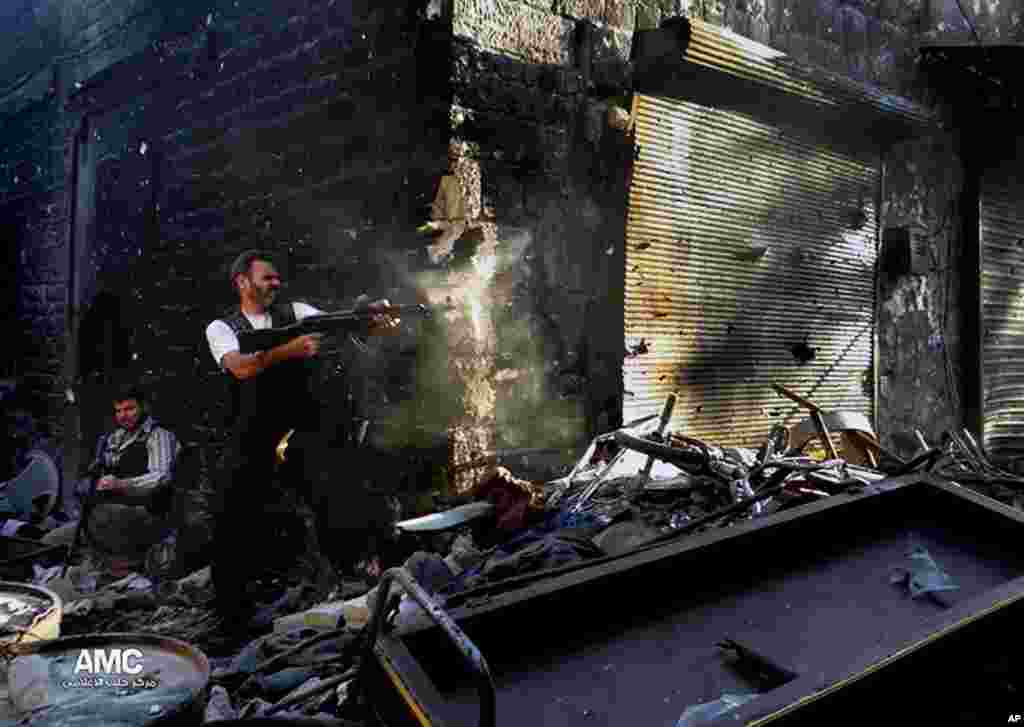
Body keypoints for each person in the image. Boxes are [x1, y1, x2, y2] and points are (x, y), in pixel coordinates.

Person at [205, 249, 397, 624]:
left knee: (335, 490)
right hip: (250, 432)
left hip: (300, 428)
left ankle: (352, 577)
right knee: (234, 517)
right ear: (242, 282)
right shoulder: (222, 328)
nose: (275, 283)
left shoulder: (296, 312)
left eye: (277, 278)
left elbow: (338, 324)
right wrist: (287, 351)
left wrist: (367, 317)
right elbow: (241, 369)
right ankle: (233, 612)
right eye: (267, 278)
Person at [43, 384, 181, 573]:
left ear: (144, 408)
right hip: (105, 519)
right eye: (118, 411)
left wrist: (121, 484)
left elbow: (161, 477)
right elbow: (102, 471)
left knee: (102, 517)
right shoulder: (116, 437)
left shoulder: (159, 436)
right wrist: (89, 483)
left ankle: (116, 564)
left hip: (144, 515)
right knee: (48, 543)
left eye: (129, 409)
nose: (123, 415)